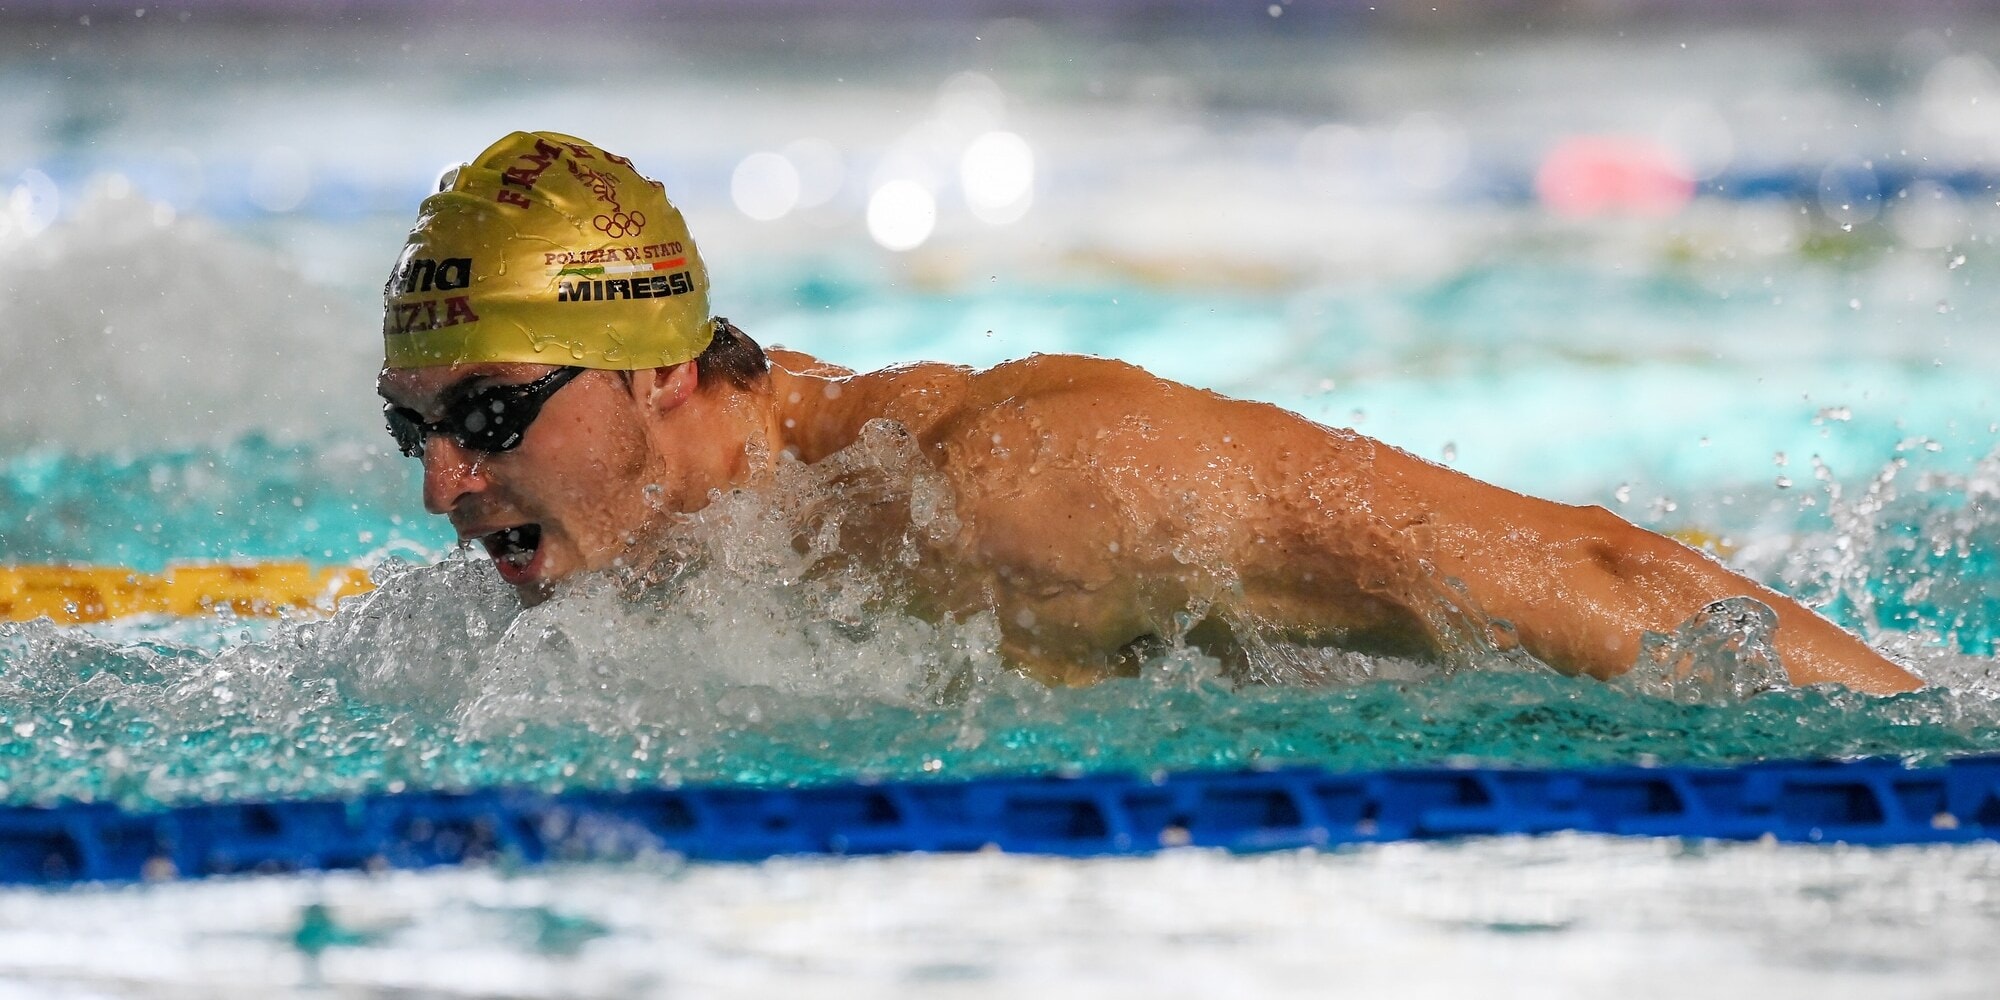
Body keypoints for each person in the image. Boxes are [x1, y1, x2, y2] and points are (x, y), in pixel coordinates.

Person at [376, 131, 1922, 696]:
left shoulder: (1018, 487)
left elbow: (1594, 576)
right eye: (417, 431)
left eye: (492, 418)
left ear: (659, 367)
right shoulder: (660, 554)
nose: (444, 487)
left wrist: (1928, 758)